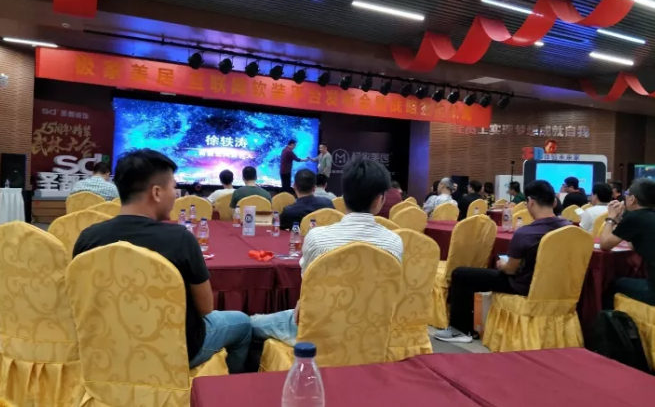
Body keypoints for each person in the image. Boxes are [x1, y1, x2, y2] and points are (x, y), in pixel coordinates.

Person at [73, 149, 251, 371]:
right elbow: (206, 308)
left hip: (105, 348)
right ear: (157, 192)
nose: (176, 195)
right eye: (173, 187)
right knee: (243, 324)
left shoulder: (88, 237)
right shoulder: (181, 239)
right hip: (175, 350)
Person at [250, 158, 403, 344]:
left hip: (318, 329)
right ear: (380, 199)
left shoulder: (317, 237)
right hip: (371, 332)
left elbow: (308, 284)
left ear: (343, 196)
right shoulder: (394, 242)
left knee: (248, 324)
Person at [436, 180, 570, 342]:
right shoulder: (569, 228)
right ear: (554, 202)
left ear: (530, 202)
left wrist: (502, 264)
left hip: (524, 286)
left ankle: (460, 330)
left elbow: (510, 270)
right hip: (558, 287)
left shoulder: (526, 233)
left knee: (460, 274)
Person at [600, 178, 655, 306]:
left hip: (653, 290)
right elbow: (634, 243)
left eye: (626, 194)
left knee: (611, 284)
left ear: (632, 199)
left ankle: (610, 318)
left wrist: (611, 218)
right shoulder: (647, 216)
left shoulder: (635, 217)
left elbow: (605, 245)